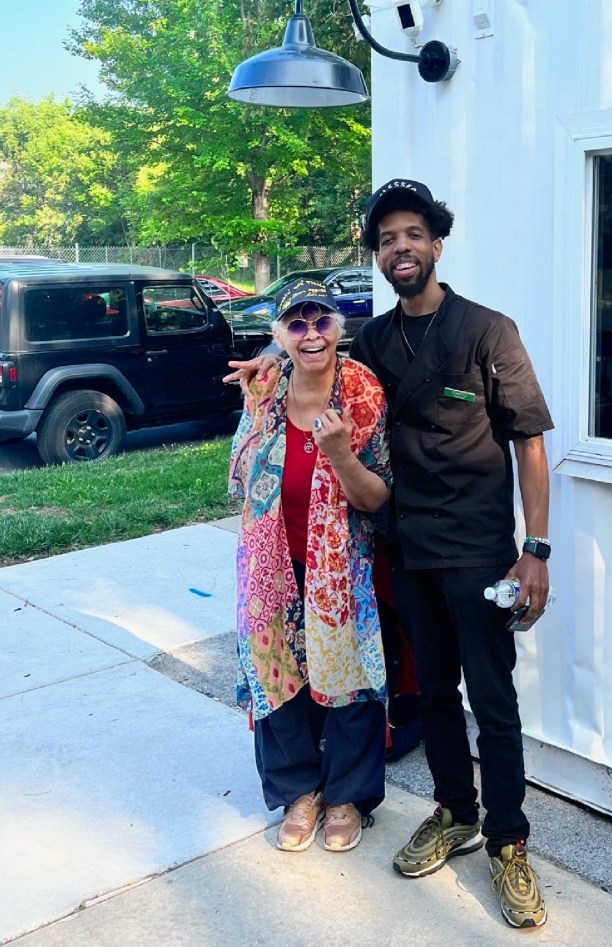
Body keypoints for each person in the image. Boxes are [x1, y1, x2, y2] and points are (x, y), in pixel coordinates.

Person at [226, 179, 554, 929]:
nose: (399, 248)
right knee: (431, 693)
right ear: (377, 256)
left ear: (437, 244)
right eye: (386, 239)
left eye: (413, 234)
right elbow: (310, 352)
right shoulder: (371, 338)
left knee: (493, 703)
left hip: (477, 551)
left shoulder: (488, 332)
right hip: (407, 548)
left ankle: (509, 843)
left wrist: (533, 549)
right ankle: (454, 812)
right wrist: (262, 368)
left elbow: (529, 441)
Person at [227, 276, 392, 855]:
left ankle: (346, 796)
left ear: (338, 327)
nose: (311, 333)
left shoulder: (363, 391)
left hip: (340, 565)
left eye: (321, 320)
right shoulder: (266, 387)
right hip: (270, 562)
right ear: (280, 335)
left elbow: (378, 497)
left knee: (346, 675)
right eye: (296, 323)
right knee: (277, 673)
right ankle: (300, 791)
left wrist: (339, 453)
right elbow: (240, 474)